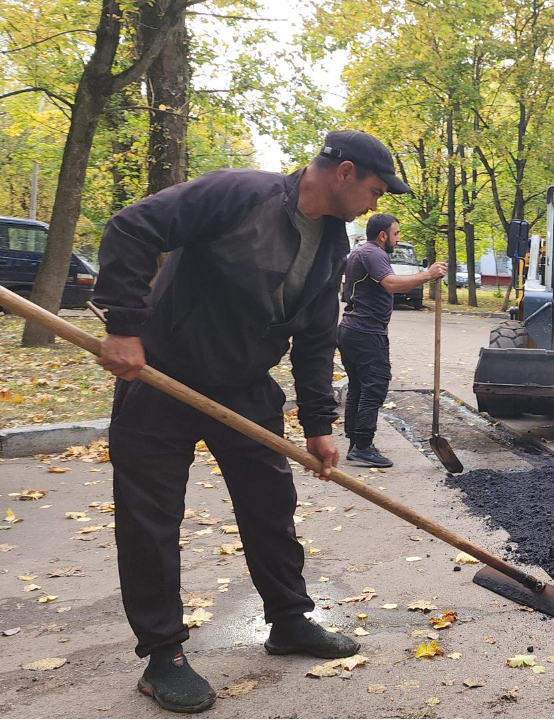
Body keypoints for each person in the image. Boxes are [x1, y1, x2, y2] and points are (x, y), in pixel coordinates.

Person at [92, 130, 411, 713]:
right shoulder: (240, 194)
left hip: (243, 387)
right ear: (343, 173)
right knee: (150, 518)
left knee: (270, 503)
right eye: (373, 188)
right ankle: (164, 655)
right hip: (161, 375)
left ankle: (289, 620)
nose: (376, 203)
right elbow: (132, 227)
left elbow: (315, 338)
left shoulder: (333, 246)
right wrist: (123, 326)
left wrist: (318, 423)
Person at [338, 214, 446, 467]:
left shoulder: (360, 252)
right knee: (375, 386)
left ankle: (356, 442)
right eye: (396, 234)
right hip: (366, 332)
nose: (398, 240)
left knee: (359, 386)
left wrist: (424, 277)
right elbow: (391, 284)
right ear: (383, 235)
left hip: (352, 330)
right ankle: (363, 446)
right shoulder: (374, 253)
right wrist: (428, 274)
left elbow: (396, 286)